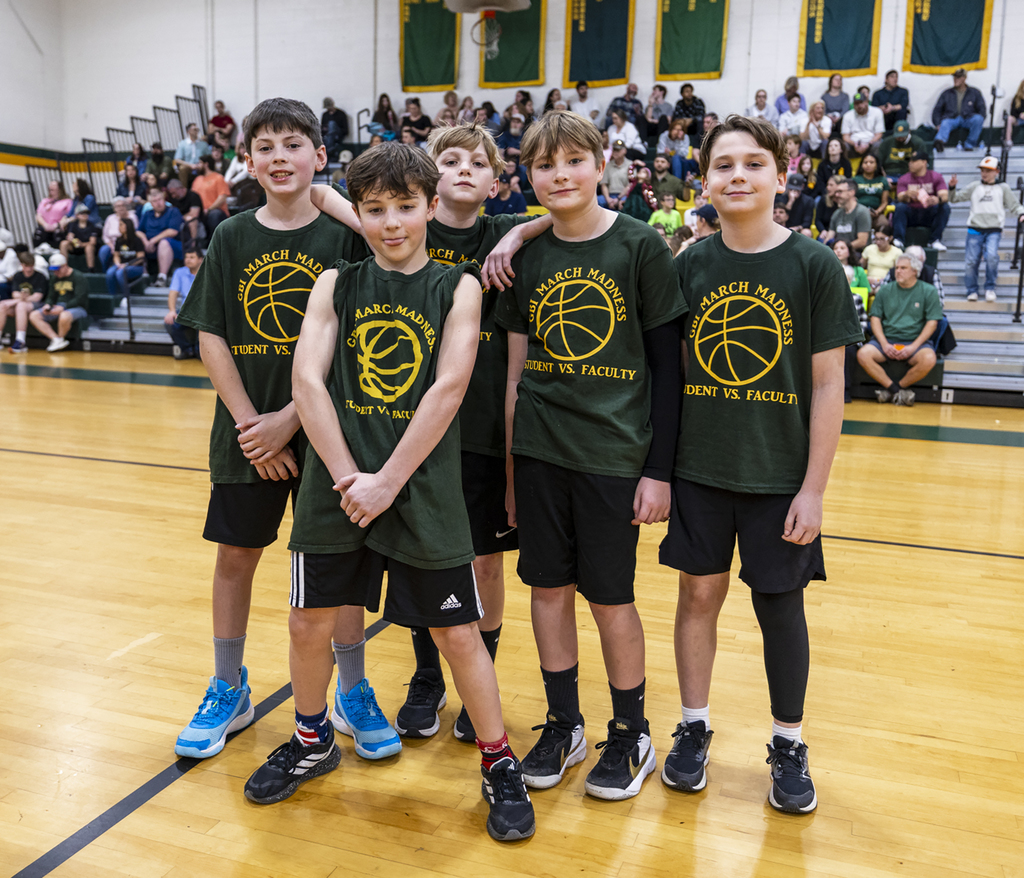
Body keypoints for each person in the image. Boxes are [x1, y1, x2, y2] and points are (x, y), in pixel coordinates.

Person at [246, 140, 536, 842]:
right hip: (335, 486)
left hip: (418, 486)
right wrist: (351, 477)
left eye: (406, 207)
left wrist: (388, 481)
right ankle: (313, 739)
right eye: (375, 210)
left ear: (431, 207)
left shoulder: (459, 284)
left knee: (456, 632)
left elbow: (450, 386)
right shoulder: (334, 285)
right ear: (361, 214)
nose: (391, 222)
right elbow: (306, 383)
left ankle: (499, 762)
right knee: (307, 621)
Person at [172, 98, 389, 768]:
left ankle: (352, 688)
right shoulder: (233, 235)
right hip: (247, 434)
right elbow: (209, 335)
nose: (278, 157)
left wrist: (290, 420)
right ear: (249, 160)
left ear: (320, 157)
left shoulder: (345, 236)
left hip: (326, 433)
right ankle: (228, 686)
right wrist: (249, 426)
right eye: (264, 146)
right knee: (235, 556)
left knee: (336, 566)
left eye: (293, 144)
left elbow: (363, 325)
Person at [659, 114, 861, 815]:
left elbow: (830, 384)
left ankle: (788, 741)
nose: (737, 176)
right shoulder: (689, 264)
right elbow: (677, 374)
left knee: (780, 609)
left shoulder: (813, 265)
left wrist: (814, 489)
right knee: (697, 599)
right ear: (705, 180)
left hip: (780, 480)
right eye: (723, 165)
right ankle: (692, 726)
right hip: (701, 471)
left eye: (752, 163)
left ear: (782, 174)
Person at [496, 109, 685, 802]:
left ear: (600, 164)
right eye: (544, 165)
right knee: (547, 591)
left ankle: (630, 730)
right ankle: (563, 723)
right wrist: (514, 476)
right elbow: (515, 377)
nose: (559, 175)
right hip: (542, 450)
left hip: (614, 455)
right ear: (530, 174)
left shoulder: (640, 247)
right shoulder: (526, 256)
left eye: (573, 161)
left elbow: (669, 367)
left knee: (610, 598)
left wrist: (658, 469)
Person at [857, 251, 942, 406]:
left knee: (929, 359)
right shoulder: (885, 290)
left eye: (903, 268)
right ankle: (896, 390)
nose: (898, 271)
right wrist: (884, 344)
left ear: (915, 271)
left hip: (916, 342)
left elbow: (932, 323)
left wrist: (913, 347)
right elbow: (875, 318)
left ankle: (893, 390)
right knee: (863, 354)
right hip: (887, 339)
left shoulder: (929, 291)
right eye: (897, 268)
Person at [949, 155, 1024, 302]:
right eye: (983, 170)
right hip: (974, 228)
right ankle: (972, 290)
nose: (984, 173)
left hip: (994, 229)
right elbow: (954, 198)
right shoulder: (974, 186)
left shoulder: (1003, 188)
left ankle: (990, 287)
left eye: (988, 170)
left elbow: (1014, 205)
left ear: (997, 171)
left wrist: (1021, 213)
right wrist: (952, 187)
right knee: (971, 261)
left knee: (991, 257)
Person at [831, 240, 870, 402]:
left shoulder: (857, 298)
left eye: (845, 279)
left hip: (850, 339)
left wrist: (852, 339)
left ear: (850, 281)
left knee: (848, 351)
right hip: (830, 337)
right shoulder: (826, 298)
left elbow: (863, 323)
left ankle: (846, 389)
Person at [28, 253, 89, 352]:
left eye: (58, 269)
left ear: (65, 265)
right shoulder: (54, 278)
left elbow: (80, 299)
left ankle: (60, 338)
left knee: (64, 315)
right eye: (54, 270)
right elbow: (51, 296)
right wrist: (48, 305)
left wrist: (64, 307)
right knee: (34, 315)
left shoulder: (78, 277)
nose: (56, 272)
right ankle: (55, 339)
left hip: (77, 308)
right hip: (58, 307)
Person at [893, 151, 950, 251]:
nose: (910, 163)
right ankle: (899, 239)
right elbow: (899, 196)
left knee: (944, 207)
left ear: (924, 162)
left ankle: (934, 240)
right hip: (912, 213)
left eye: (914, 161)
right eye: (910, 161)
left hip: (928, 213)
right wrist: (906, 194)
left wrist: (937, 199)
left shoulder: (936, 176)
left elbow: (944, 195)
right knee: (900, 207)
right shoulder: (904, 178)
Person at [0, 251, 48, 353]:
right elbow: (15, 294)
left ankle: (20, 341)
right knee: (2, 305)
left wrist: (21, 299)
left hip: (37, 305)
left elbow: (37, 297)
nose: (29, 269)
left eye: (31, 266)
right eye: (26, 266)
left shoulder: (40, 277)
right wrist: (20, 298)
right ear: (21, 265)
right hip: (22, 303)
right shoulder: (18, 276)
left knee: (20, 305)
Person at [932, 69, 986, 152]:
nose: (955, 79)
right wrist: (937, 123)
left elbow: (982, 109)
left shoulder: (974, 92)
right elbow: (937, 109)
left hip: (968, 118)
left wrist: (981, 117)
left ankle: (970, 144)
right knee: (945, 122)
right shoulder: (947, 93)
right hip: (952, 118)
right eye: (954, 77)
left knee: (978, 119)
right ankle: (939, 142)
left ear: (964, 78)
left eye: (958, 77)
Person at [163, 244, 203, 358]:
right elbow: (173, 293)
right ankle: (187, 349)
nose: (188, 260)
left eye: (192, 257)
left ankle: (200, 351)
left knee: (204, 324)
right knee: (170, 322)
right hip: (186, 310)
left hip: (204, 310)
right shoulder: (179, 272)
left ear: (200, 259)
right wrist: (172, 311)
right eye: (186, 257)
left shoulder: (207, 272)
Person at [821, 179, 871, 252]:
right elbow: (829, 236)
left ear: (851, 192)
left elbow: (862, 241)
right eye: (836, 192)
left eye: (840, 192)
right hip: (839, 254)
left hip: (856, 254)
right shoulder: (837, 213)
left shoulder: (862, 212)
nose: (836, 195)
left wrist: (842, 249)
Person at [105, 213, 146, 301]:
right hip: (122, 265)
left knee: (120, 273)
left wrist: (127, 264)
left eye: (121, 225)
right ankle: (113, 297)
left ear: (127, 226)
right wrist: (118, 264)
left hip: (136, 267)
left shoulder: (137, 240)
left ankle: (126, 296)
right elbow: (116, 255)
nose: (119, 227)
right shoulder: (118, 240)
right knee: (109, 273)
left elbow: (140, 258)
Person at [191, 155, 231, 236]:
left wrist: (209, 209)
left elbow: (222, 197)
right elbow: (193, 197)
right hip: (201, 212)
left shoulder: (218, 178)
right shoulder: (197, 180)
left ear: (206, 164)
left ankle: (215, 243)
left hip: (217, 211)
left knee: (214, 215)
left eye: (199, 163)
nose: (197, 166)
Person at [861, 224, 903, 294]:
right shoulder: (869, 249)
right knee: (865, 290)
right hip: (869, 281)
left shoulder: (897, 252)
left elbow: (898, 272)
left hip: (887, 282)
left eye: (882, 239)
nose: (878, 242)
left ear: (890, 238)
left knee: (880, 291)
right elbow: (860, 266)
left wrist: (882, 281)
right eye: (876, 239)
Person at [59, 204, 100, 270]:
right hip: (75, 246)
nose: (84, 215)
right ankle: (63, 266)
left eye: (86, 213)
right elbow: (70, 236)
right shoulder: (73, 224)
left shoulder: (92, 226)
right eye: (81, 213)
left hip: (87, 247)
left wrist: (81, 244)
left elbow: (93, 242)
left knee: (89, 247)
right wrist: (73, 240)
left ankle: (91, 269)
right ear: (77, 215)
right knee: (64, 243)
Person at [852, 153, 890, 225]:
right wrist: (863, 211)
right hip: (858, 212)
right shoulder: (855, 180)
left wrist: (877, 212)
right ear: (861, 165)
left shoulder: (882, 180)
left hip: (876, 213)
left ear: (876, 165)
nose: (868, 164)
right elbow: (851, 199)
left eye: (871, 162)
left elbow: (885, 202)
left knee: (884, 223)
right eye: (865, 162)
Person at [34, 181, 72, 250]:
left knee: (58, 234)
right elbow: (38, 215)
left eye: (53, 190)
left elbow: (68, 216)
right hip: (45, 226)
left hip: (59, 227)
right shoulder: (45, 201)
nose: (51, 192)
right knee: (39, 233)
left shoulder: (67, 201)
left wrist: (57, 225)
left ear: (60, 190)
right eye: (50, 190)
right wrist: (45, 225)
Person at [166, 178, 205, 247]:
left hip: (197, 224)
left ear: (180, 189)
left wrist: (180, 217)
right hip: (178, 221)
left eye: (174, 193)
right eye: (171, 194)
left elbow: (194, 214)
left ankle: (193, 245)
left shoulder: (193, 196)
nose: (173, 196)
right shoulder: (174, 199)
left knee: (191, 219)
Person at [600, 140, 631, 210]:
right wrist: (608, 199)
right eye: (614, 150)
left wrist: (618, 198)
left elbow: (630, 185)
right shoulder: (608, 165)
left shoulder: (630, 165)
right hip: (610, 195)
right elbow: (604, 184)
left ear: (624, 151)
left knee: (628, 201)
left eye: (618, 150)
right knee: (597, 201)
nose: (615, 152)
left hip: (624, 195)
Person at [1004, 80, 1024, 147]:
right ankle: (1008, 140)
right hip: (1018, 120)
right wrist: (1019, 115)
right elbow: (1012, 112)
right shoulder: (1017, 98)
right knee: (1009, 118)